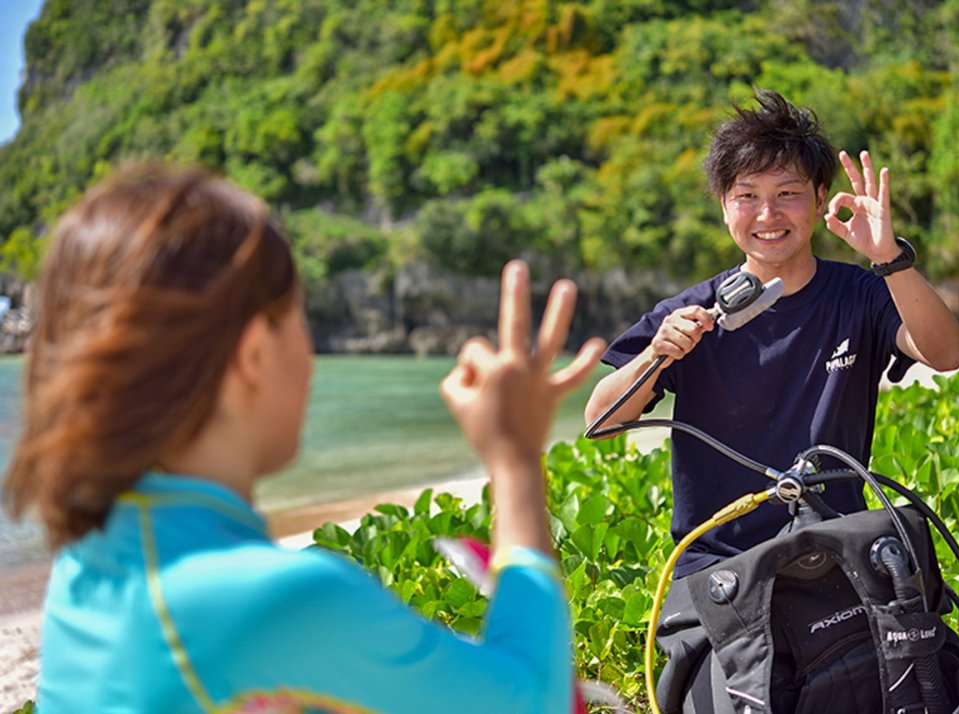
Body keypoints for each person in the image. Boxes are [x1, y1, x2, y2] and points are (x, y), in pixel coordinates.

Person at [2, 163, 606, 713]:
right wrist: (515, 458)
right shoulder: (278, 599)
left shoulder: (87, 560)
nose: (310, 354)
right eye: (301, 319)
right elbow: (535, 700)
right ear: (255, 353)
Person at [583, 89, 959, 711]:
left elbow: (946, 353)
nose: (768, 213)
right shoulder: (689, 316)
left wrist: (889, 261)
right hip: (717, 564)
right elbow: (599, 416)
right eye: (747, 196)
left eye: (787, 193)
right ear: (724, 207)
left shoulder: (860, 295)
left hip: (836, 554)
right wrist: (659, 353)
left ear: (819, 200)